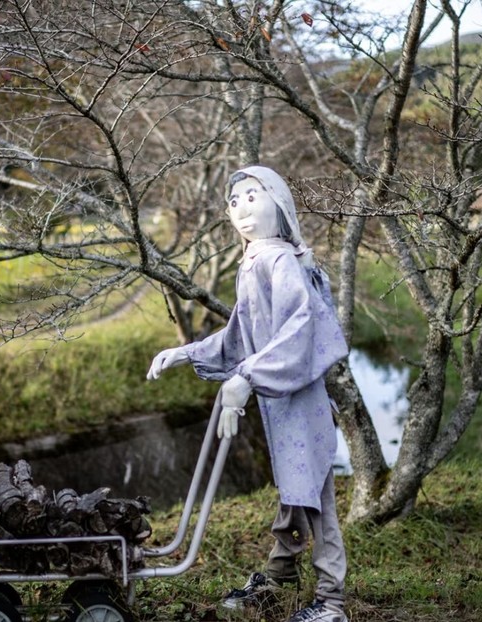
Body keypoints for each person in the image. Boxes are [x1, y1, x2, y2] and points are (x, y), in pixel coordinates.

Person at [146, 166, 350, 622]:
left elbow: (299, 330)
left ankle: (331, 602)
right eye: (234, 201)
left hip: (301, 401)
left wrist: (248, 377)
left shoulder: (280, 261)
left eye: (253, 197)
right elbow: (237, 337)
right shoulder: (255, 261)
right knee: (292, 489)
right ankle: (279, 576)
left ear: (278, 201)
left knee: (315, 497)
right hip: (280, 402)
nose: (241, 209)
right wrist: (185, 353)